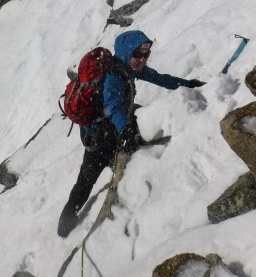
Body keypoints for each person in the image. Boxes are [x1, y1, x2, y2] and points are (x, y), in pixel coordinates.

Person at [57, 30, 205, 238]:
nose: (143, 60)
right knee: (86, 181)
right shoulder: (113, 77)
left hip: (113, 128)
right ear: (127, 52)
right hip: (99, 139)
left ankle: (118, 166)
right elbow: (112, 107)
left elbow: (159, 78)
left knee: (137, 121)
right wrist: (124, 128)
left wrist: (188, 84)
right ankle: (66, 222)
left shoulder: (128, 67)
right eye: (139, 54)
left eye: (146, 55)